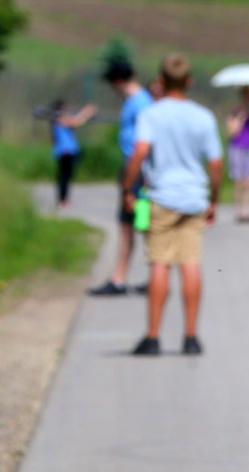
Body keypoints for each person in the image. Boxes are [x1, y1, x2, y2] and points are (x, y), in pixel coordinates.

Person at [124, 54, 224, 357]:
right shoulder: (203, 117)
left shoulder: (152, 115)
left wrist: (129, 187)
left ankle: (153, 336)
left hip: (162, 196)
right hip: (194, 198)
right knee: (191, 264)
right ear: (190, 81)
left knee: (160, 264)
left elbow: (141, 152)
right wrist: (214, 198)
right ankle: (191, 336)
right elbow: (216, 164)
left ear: (161, 81)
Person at [89, 59, 154, 297]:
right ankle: (124, 276)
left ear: (117, 81)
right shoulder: (137, 101)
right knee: (129, 223)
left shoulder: (140, 103)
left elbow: (146, 142)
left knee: (141, 222)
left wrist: (141, 174)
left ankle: (144, 276)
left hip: (137, 169)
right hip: (133, 167)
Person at [48, 99, 97, 209]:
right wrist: (86, 113)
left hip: (70, 152)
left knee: (67, 177)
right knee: (64, 177)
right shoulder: (59, 119)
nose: (67, 110)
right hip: (65, 152)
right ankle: (62, 200)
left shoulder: (62, 119)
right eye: (65, 108)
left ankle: (64, 199)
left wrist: (84, 114)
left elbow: (75, 120)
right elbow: (75, 122)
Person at [226, 86, 249, 223]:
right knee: (239, 181)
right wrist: (240, 119)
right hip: (238, 148)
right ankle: (239, 210)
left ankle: (248, 210)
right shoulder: (235, 111)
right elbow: (232, 132)